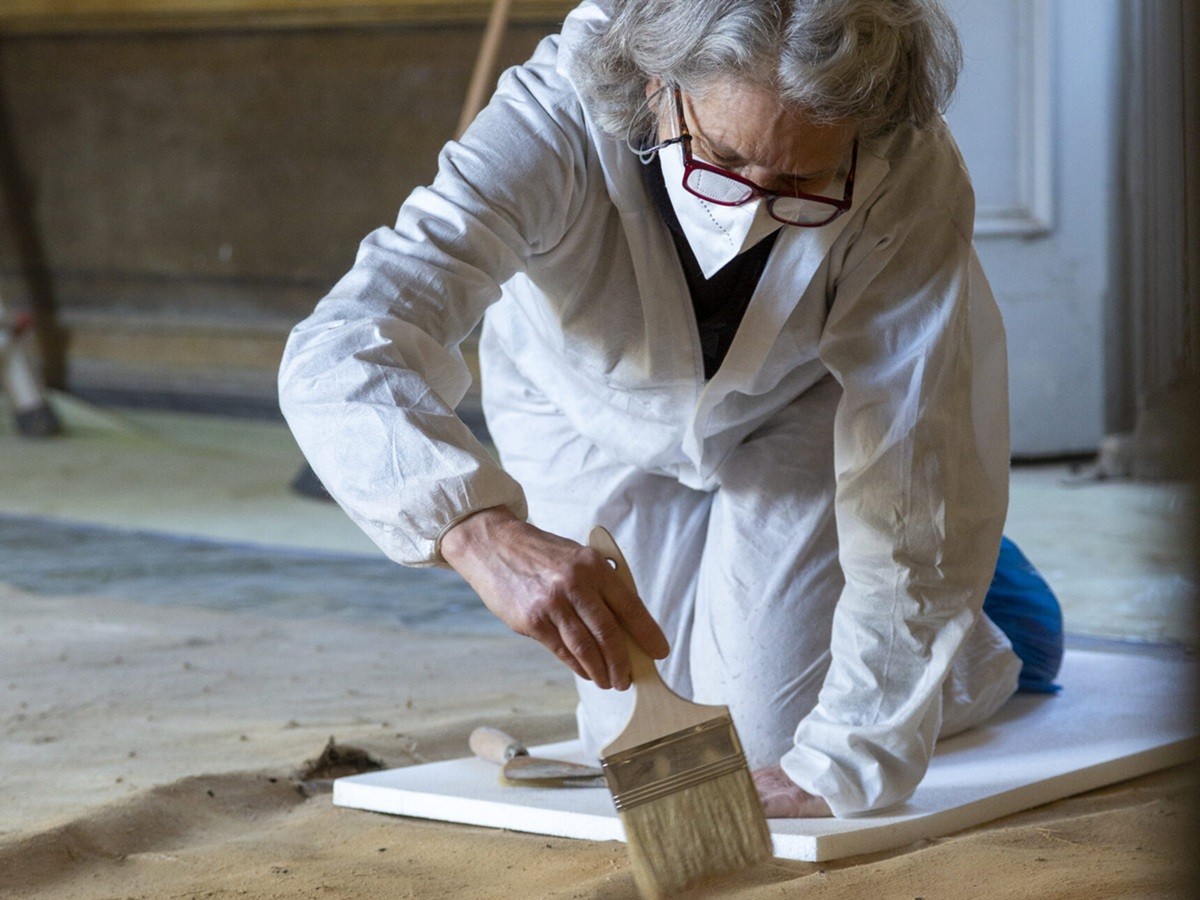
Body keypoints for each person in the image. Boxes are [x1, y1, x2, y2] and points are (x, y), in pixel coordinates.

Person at [279, 0, 1063, 818]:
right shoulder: (553, 121)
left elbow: (916, 436)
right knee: (641, 735)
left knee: (774, 744)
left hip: (801, 411)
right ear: (657, 82)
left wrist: (852, 753)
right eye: (723, 158)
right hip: (582, 408)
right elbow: (342, 345)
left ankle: (986, 611)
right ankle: (837, 579)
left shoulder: (909, 162)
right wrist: (479, 532)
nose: (752, 213)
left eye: (801, 184)